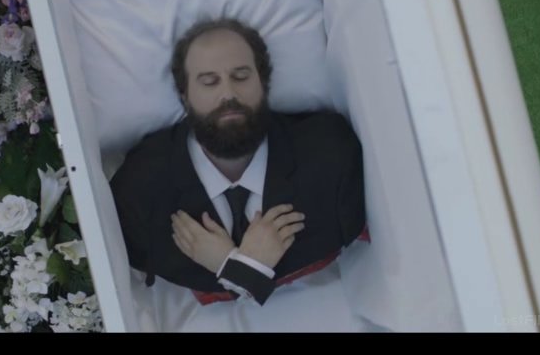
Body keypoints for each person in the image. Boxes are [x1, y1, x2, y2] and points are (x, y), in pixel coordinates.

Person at [110, 18, 367, 309]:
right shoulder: (138, 192)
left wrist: (232, 266)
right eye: (209, 82)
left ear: (263, 83)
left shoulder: (331, 156)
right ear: (185, 96)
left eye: (241, 76)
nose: (228, 94)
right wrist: (243, 267)